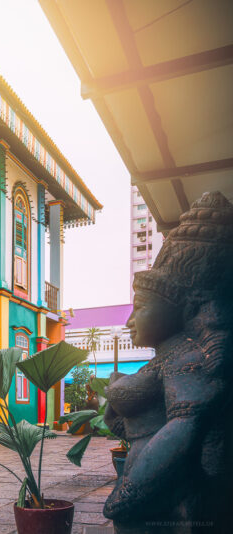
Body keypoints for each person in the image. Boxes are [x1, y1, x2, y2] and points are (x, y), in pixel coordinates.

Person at [103, 192, 233, 534]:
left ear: (188, 307)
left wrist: (127, 494)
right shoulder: (168, 356)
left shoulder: (187, 357)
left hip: (161, 491)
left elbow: (183, 428)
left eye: (141, 307)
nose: (130, 320)